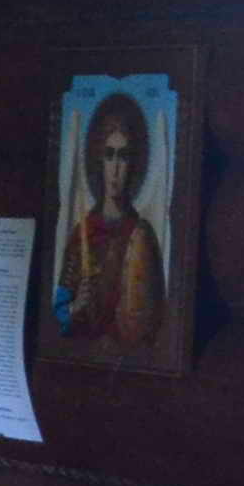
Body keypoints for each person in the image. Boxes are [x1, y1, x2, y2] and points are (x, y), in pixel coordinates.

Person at [54, 89, 172, 348]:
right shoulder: (83, 234)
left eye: (123, 156)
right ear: (100, 161)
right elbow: (59, 311)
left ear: (133, 164)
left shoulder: (142, 236)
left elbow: (155, 317)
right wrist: (75, 307)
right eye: (109, 155)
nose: (116, 168)